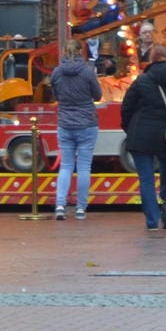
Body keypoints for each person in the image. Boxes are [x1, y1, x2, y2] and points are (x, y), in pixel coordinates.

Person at [119, 44, 166, 230]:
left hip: (141, 134)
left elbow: (127, 107)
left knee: (146, 180)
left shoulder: (143, 80)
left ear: (152, 61)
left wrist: (129, 129)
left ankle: (152, 221)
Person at [49, 52, 103, 220]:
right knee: (84, 167)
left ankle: (60, 205)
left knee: (66, 166)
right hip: (87, 122)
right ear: (80, 53)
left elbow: (55, 95)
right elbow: (98, 96)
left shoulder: (57, 72)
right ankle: (80, 208)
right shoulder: (87, 72)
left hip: (65, 122)